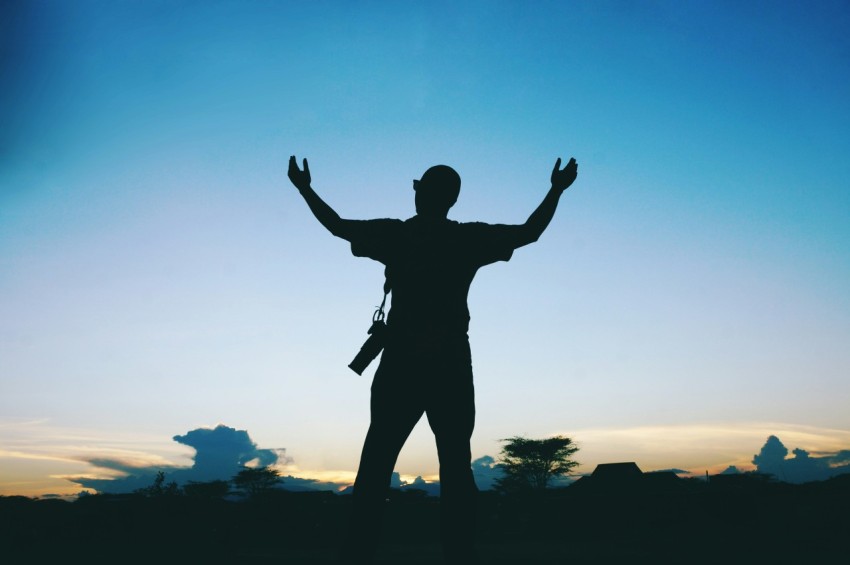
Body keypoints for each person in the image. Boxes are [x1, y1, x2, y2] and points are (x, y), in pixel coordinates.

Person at [287, 154, 578, 563]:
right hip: (451, 364)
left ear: (419, 191)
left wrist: (304, 189)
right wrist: (556, 190)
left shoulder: (397, 235)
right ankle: (459, 551)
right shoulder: (467, 239)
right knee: (456, 467)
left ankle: (359, 550)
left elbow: (337, 226)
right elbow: (529, 232)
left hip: (403, 362)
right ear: (452, 200)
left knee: (376, 463)